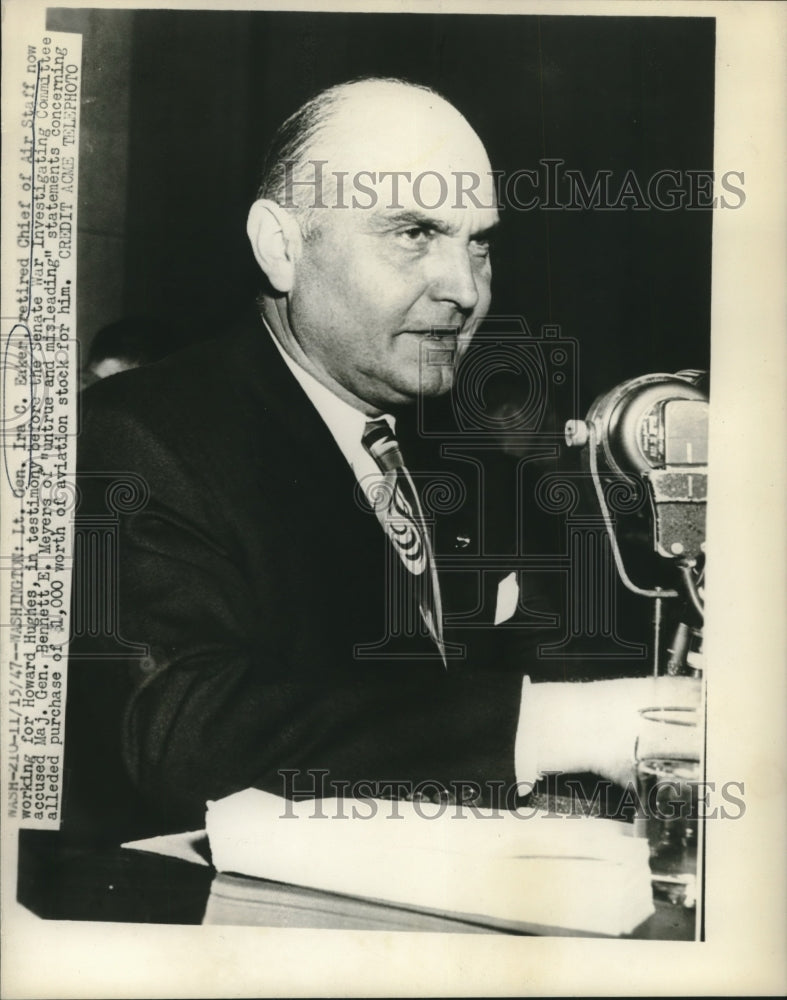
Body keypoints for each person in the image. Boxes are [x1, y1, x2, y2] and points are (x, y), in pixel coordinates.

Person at [64, 78, 697, 841]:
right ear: (282, 247)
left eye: (479, 243)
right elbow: (179, 733)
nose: (464, 289)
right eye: (413, 233)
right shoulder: (135, 436)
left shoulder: (457, 464)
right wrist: (571, 724)